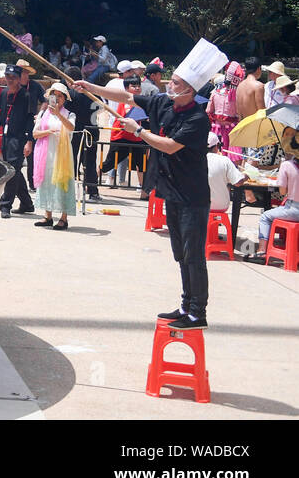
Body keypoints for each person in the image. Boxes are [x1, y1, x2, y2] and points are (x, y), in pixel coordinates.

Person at [73, 38, 222, 329]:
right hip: (173, 192)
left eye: (176, 82)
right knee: (180, 254)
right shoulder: (164, 103)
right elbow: (127, 98)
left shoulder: (196, 117)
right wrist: (90, 88)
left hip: (193, 196)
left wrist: (139, 130)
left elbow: (169, 146)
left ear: (189, 90)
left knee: (194, 256)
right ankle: (185, 305)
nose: (170, 84)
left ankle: (197, 313)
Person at [0, 65, 36, 217]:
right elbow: (2, 116)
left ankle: (5, 205)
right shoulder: (3, 94)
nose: (9, 80)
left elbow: (30, 120)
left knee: (11, 171)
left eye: (13, 77)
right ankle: (27, 203)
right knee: (14, 170)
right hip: (7, 136)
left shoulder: (27, 96)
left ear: (19, 79)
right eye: (7, 76)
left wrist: (29, 141)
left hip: (20, 137)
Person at [32, 83, 77, 229]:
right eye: (54, 95)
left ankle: (64, 218)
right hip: (46, 153)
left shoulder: (69, 114)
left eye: (60, 96)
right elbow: (35, 133)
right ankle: (48, 215)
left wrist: (58, 114)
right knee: (47, 181)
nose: (57, 99)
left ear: (64, 99)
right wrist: (48, 132)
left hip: (62, 154)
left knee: (62, 182)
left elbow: (71, 127)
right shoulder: (44, 113)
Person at [247, 151, 299, 265]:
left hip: (294, 209)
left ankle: (261, 251)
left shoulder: (287, 165)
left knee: (265, 216)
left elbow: (282, 191)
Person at [100, 75, 148, 188]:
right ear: (127, 88)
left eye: (138, 86)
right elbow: (131, 116)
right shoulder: (126, 100)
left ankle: (144, 190)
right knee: (109, 163)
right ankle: (91, 182)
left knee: (142, 164)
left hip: (136, 136)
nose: (137, 88)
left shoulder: (141, 101)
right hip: (121, 136)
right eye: (133, 86)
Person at [63, 65, 101, 200]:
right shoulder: (92, 92)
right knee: (90, 160)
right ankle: (93, 190)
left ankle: (69, 189)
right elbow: (100, 106)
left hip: (75, 129)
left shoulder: (70, 94)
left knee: (71, 158)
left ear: (69, 80)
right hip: (92, 128)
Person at [204, 132, 245, 214]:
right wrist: (248, 174)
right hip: (220, 205)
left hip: (196, 205)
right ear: (216, 146)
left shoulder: (193, 160)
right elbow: (238, 182)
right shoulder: (224, 160)